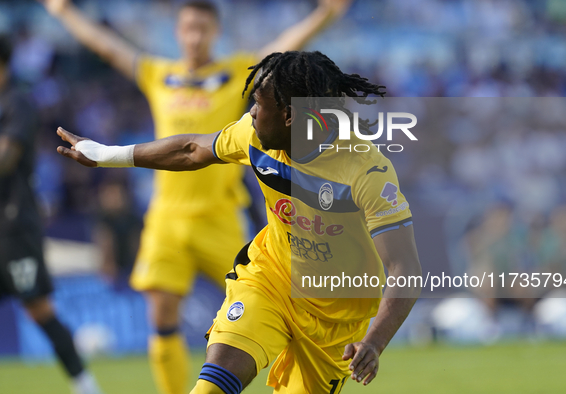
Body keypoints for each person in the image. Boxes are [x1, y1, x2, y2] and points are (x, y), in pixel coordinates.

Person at [57, 50, 422, 394]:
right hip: (271, 280)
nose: (249, 114)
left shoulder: (366, 170)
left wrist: (374, 342)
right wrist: (106, 155)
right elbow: (191, 150)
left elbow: (405, 267)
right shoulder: (254, 135)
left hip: (338, 318)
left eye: (258, 105)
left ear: (290, 116)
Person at [41, 1, 352, 393]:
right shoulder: (159, 74)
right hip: (167, 218)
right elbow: (108, 47)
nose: (194, 37)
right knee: (162, 310)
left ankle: (302, 369)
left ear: (215, 32)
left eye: (202, 29)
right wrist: (62, 11)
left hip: (220, 216)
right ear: (177, 32)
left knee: (279, 299)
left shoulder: (235, 72)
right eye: (188, 28)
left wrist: (325, 14)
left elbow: (281, 54)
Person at [0, 35, 102, 394]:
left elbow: (5, 160)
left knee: (38, 309)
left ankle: (85, 384)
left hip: (12, 228)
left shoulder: (16, 103)